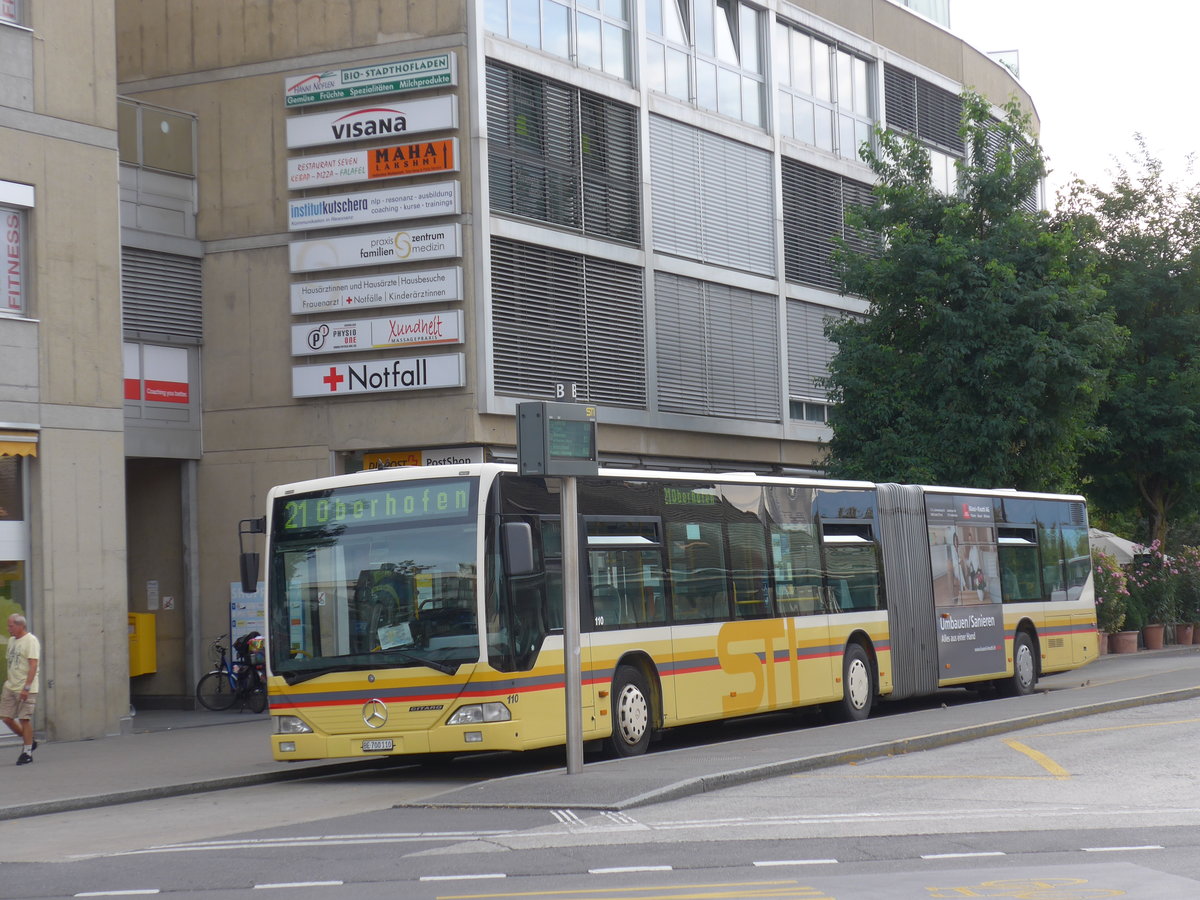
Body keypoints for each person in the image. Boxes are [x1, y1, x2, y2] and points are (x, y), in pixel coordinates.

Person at [2, 613, 40, 765]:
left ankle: (27, 752)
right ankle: (30, 740)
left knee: (24, 719)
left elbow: (33, 665)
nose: (8, 628)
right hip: (10, 686)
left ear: (20, 625)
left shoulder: (30, 641)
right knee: (6, 718)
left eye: (11, 626)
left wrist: (27, 688)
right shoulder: (12, 641)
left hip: (25, 687)